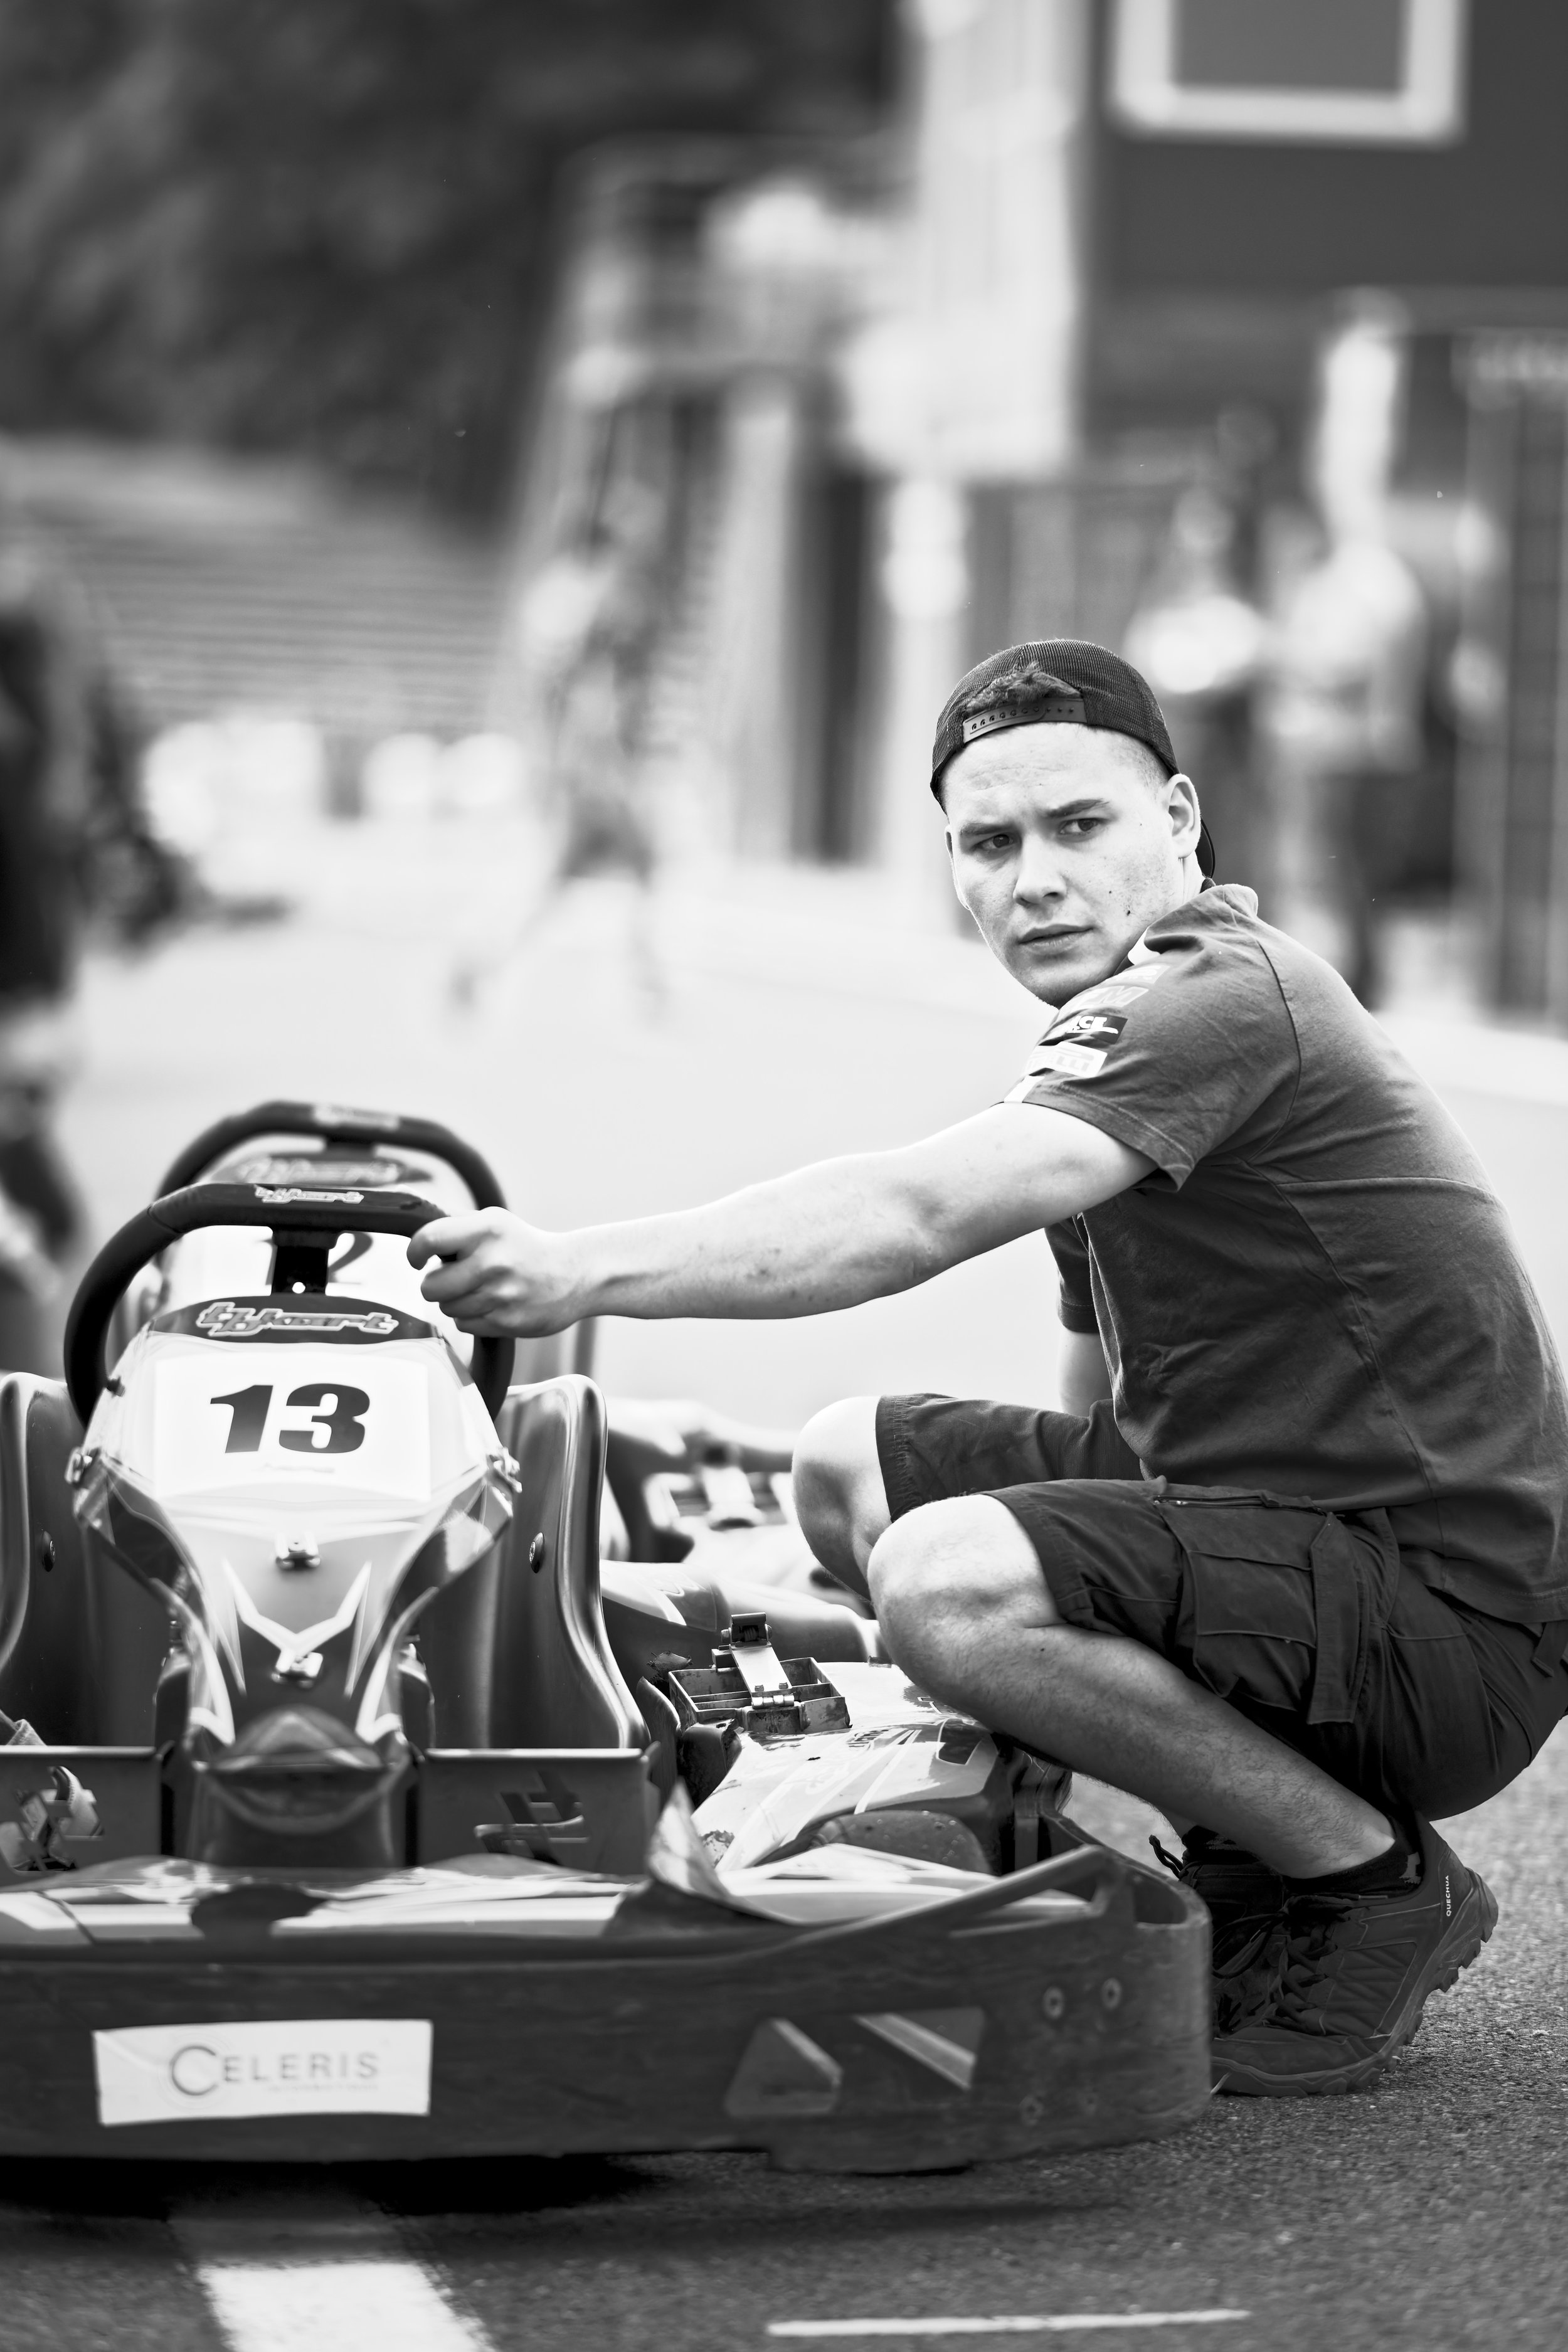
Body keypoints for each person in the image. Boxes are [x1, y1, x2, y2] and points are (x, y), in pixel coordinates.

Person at [406, 638, 1568, 2098]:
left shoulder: (1212, 1002)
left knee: (947, 1583)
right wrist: (1086, 1610)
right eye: (989, 843)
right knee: (849, 1465)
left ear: (1181, 821)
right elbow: (1108, 1418)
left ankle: (1364, 1877)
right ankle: (1234, 1839)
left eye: (1079, 828)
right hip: (1297, 1543)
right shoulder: (1110, 1040)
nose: (1034, 879)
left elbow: (909, 1215)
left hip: (1446, 1624)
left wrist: (579, 1267)